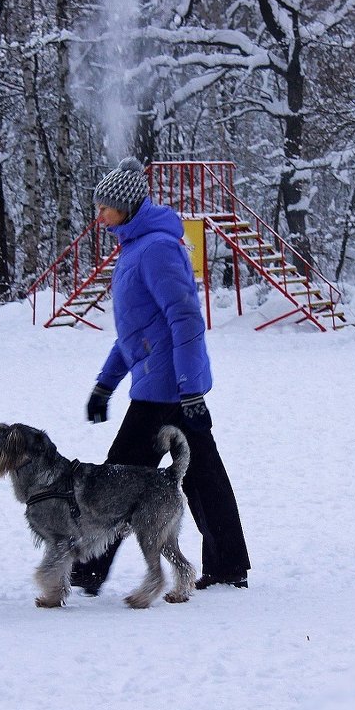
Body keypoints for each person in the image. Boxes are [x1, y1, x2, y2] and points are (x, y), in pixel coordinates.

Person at [71, 156, 251, 595]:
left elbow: (186, 319)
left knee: (117, 478)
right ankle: (227, 564)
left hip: (167, 387)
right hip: (159, 381)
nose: (99, 215)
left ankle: (88, 571)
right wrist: (104, 383)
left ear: (127, 208)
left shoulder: (156, 248)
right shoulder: (135, 247)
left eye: (106, 207)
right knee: (202, 472)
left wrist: (190, 389)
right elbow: (135, 331)